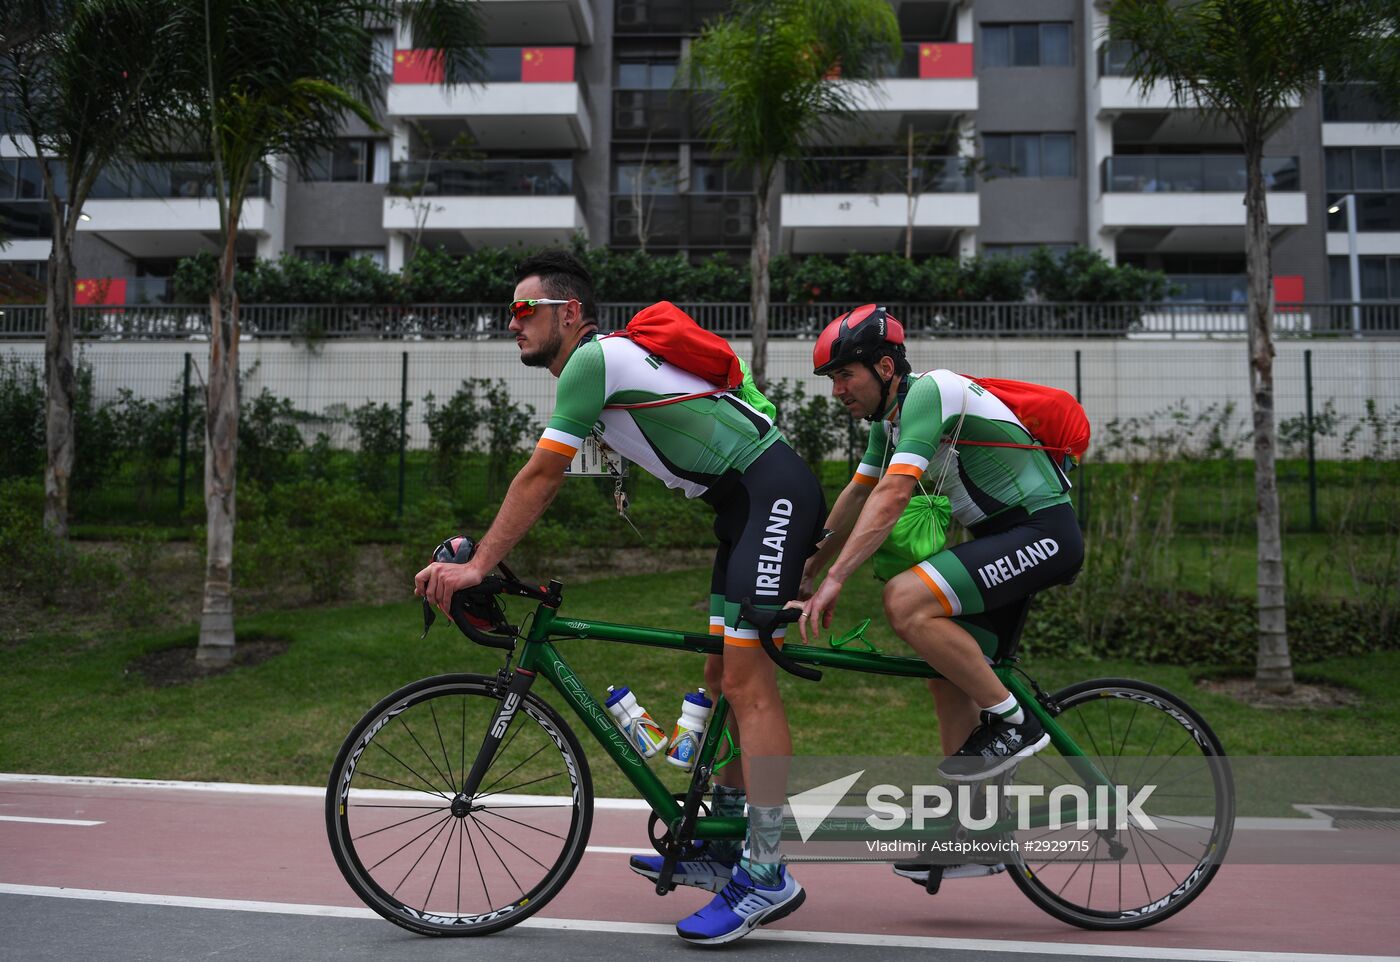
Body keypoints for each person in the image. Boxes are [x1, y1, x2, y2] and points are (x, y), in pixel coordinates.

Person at [414, 249, 824, 945]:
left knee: (750, 682)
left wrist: (481, 564)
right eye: (509, 313)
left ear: (568, 313)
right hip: (743, 506)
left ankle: (767, 871)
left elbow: (542, 475)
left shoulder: (591, 361)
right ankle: (723, 845)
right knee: (721, 674)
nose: (512, 324)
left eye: (524, 311)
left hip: (770, 491)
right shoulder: (597, 367)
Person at [795, 304, 1084, 874]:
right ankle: (976, 836)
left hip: (1042, 531)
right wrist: (805, 570)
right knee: (945, 674)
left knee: (905, 599)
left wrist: (836, 580)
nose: (838, 393)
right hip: (1007, 535)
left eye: (844, 377)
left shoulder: (931, 392)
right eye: (832, 381)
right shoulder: (890, 422)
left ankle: (1014, 721)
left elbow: (894, 496)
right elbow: (857, 495)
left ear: (884, 366)